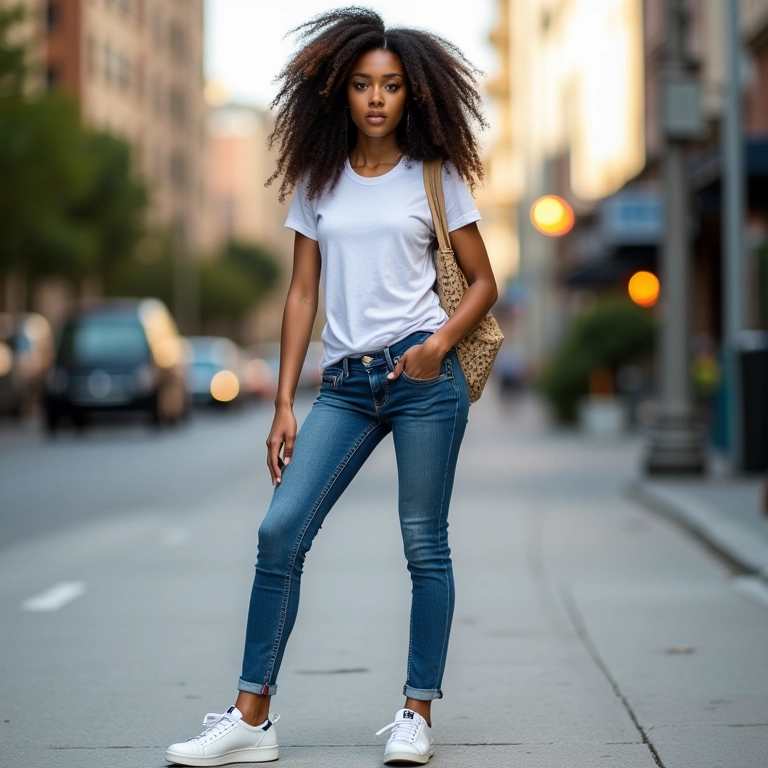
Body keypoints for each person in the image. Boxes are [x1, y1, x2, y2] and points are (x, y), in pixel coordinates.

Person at [165, 8, 497, 766]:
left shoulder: (435, 177)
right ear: (339, 94)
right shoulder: (319, 181)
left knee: (424, 546)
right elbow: (301, 297)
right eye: (361, 85)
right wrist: (284, 400)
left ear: (415, 95)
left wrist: (437, 346)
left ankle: (417, 711)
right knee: (280, 531)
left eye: (391, 86)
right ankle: (252, 715)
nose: (376, 99)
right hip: (344, 385)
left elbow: (483, 282)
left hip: (422, 377)